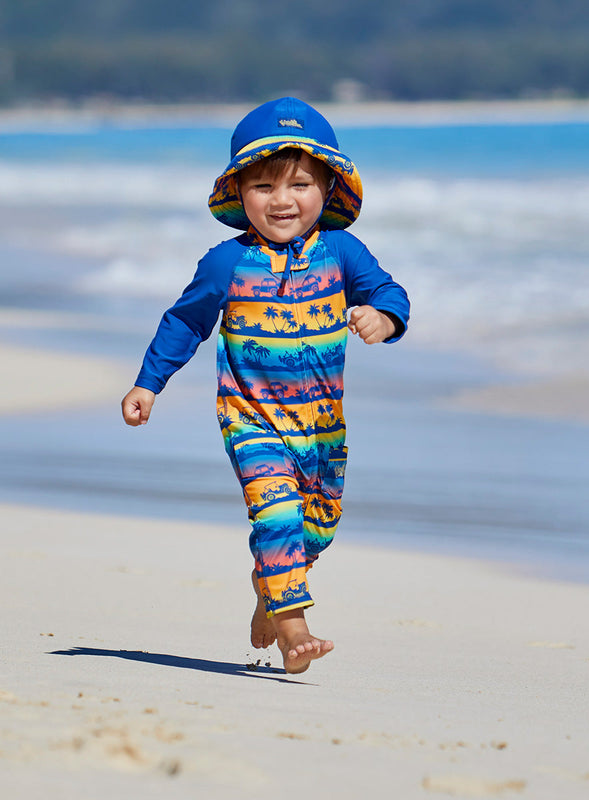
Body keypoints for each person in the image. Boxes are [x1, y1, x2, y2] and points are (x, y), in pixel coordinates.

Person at [121, 97, 410, 674]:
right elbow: (186, 321)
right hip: (251, 419)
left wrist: (383, 318)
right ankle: (293, 625)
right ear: (239, 194)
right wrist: (149, 382)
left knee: (317, 528)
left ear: (328, 187)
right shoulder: (226, 263)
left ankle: (269, 588)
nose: (282, 200)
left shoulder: (342, 253)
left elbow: (390, 293)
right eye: (263, 186)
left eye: (300, 184)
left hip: (323, 429)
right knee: (275, 514)